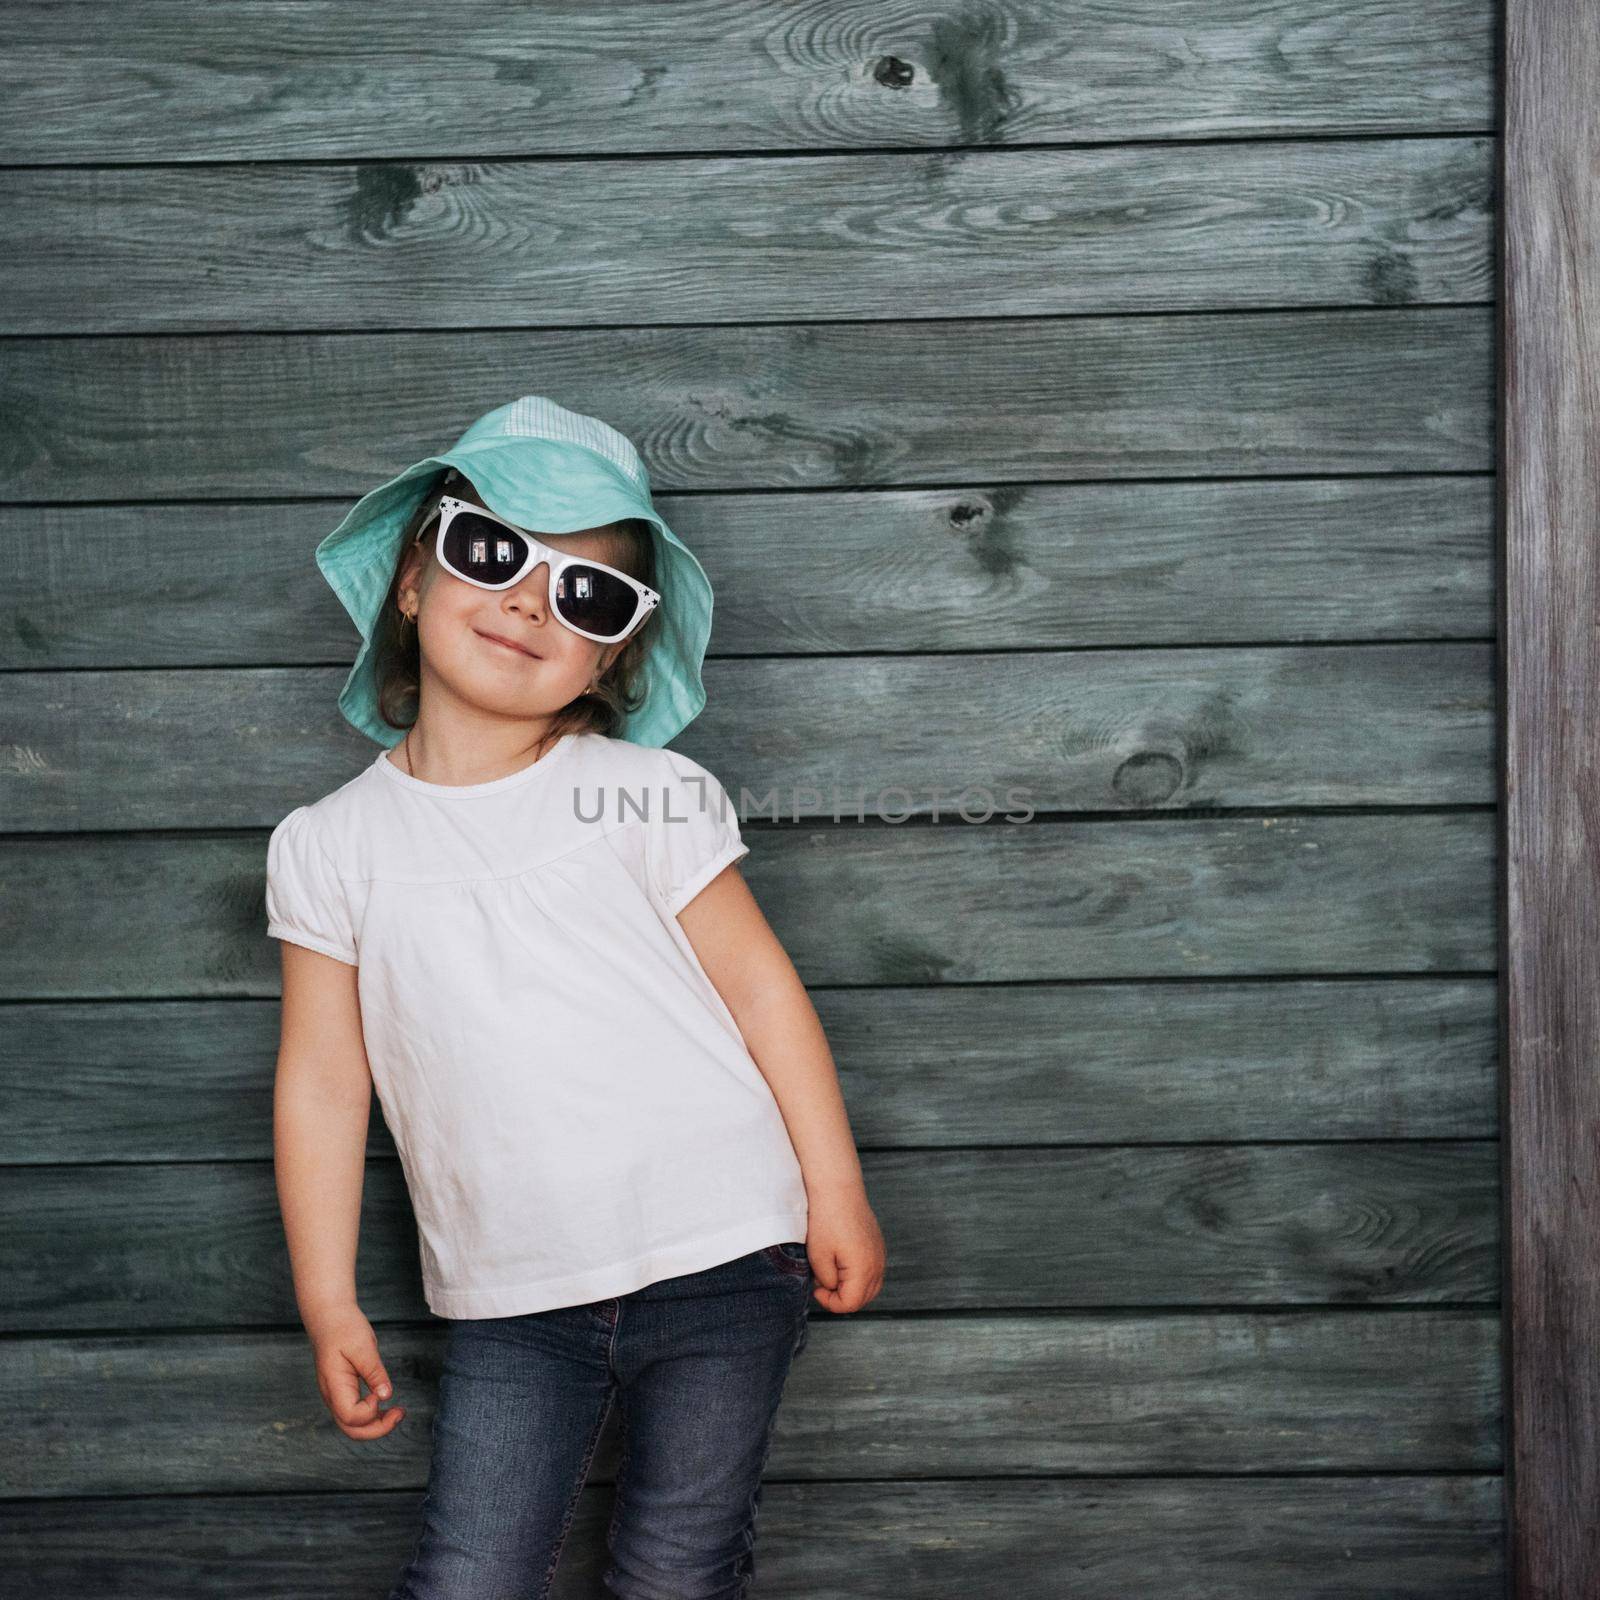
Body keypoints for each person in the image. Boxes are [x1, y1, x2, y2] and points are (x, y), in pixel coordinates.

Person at [265, 396, 887, 1599]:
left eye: (585, 595)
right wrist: (324, 1294)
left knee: (677, 1569)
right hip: (510, 1299)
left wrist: (836, 1189)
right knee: (469, 1577)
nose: (526, 601)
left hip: (723, 1253)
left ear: (610, 655)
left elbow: (761, 993)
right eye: (493, 553)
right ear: (410, 581)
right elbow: (325, 1083)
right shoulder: (325, 846)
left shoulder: (645, 793)